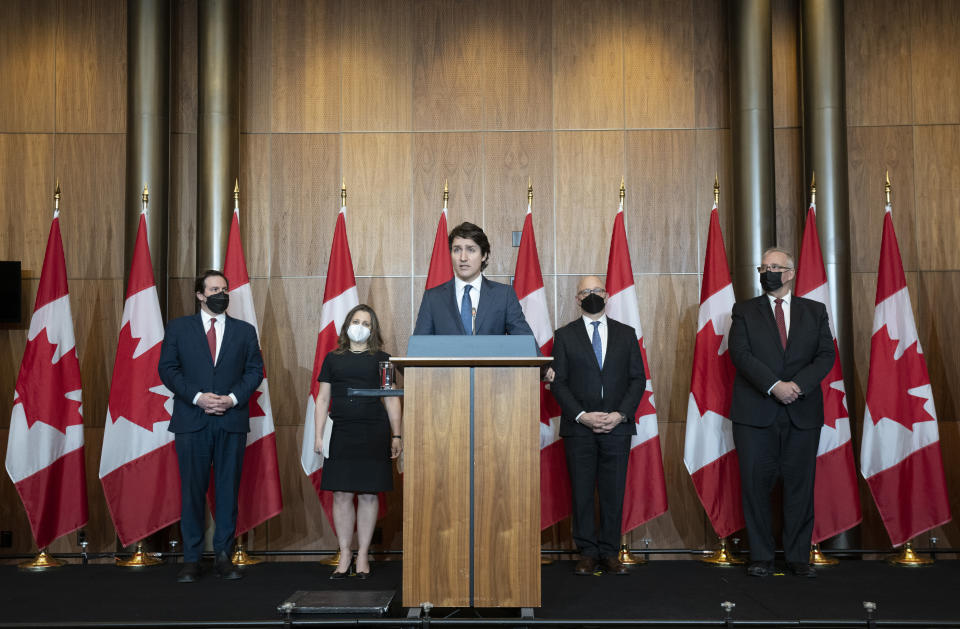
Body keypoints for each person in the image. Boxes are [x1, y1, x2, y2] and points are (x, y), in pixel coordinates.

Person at [728, 247, 835, 578]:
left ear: (790, 273)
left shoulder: (815, 311)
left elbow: (825, 355)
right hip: (755, 415)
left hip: (802, 413)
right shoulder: (744, 311)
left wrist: (796, 386)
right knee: (755, 487)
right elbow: (740, 354)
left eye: (775, 266)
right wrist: (775, 385)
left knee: (800, 487)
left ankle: (798, 556)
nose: (767, 271)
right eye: (764, 266)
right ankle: (760, 556)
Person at [158, 269, 264, 583]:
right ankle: (191, 559)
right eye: (214, 289)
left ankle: (223, 556)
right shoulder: (179, 328)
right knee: (192, 490)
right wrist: (197, 397)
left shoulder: (244, 331)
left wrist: (231, 399)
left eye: (224, 289)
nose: (221, 294)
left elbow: (255, 370)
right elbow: (167, 369)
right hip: (192, 420)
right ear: (200, 295)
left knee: (228, 489)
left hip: (231, 419)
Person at [549, 276, 646, 576]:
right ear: (577, 299)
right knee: (581, 491)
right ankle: (587, 552)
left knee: (613, 491)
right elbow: (559, 383)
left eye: (597, 290)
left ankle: (609, 552)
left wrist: (619, 415)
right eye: (585, 292)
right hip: (579, 428)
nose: (592, 295)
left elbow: (637, 379)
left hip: (617, 426)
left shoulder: (626, 334)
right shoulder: (564, 336)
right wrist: (582, 416)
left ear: (607, 294)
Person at [313, 304, 402, 579]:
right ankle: (345, 551)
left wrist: (397, 434)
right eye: (356, 321)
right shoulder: (332, 358)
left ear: (372, 329)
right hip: (340, 432)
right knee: (341, 494)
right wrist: (317, 435)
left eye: (366, 323)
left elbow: (391, 398)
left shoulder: (384, 359)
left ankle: (363, 553)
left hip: (373, 432)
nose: (360, 326)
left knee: (367, 493)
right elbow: (323, 399)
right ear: (346, 325)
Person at [413, 221, 533, 336]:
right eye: (457, 250)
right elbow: (418, 350)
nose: (463, 257)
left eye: (471, 250)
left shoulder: (504, 295)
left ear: (484, 255)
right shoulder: (433, 298)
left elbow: (527, 345)